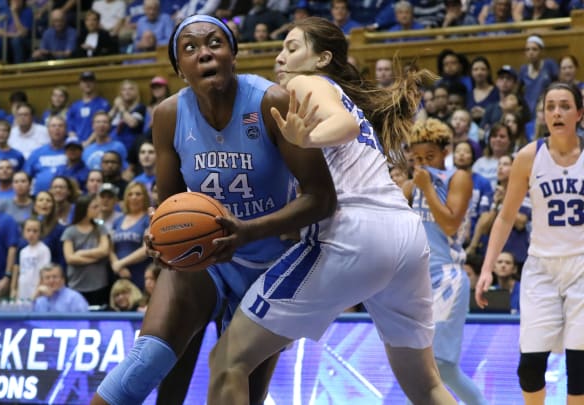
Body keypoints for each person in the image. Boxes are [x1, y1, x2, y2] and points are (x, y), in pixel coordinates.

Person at [206, 17, 456, 405]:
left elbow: (342, 126)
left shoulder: (305, 83)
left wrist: (308, 136)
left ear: (321, 59)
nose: (281, 57)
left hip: (353, 232)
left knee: (227, 360)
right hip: (406, 237)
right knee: (426, 386)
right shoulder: (342, 95)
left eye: (292, 48)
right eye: (280, 48)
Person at [92, 14, 337, 405]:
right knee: (145, 363)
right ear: (179, 68)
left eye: (214, 44)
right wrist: (159, 238)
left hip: (267, 268)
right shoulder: (169, 115)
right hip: (201, 257)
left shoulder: (271, 100)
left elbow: (322, 198)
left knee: (237, 394)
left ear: (233, 55)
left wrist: (247, 231)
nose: (204, 53)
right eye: (190, 48)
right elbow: (170, 205)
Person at [475, 82, 584, 404]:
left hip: (582, 265)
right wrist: (485, 269)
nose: (556, 112)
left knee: (579, 369)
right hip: (541, 268)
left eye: (564, 105)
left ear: (579, 113)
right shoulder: (528, 156)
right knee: (529, 367)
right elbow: (506, 217)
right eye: (550, 106)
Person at [403, 118, 487, 404]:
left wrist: (425, 188)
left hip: (448, 278)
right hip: (419, 281)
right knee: (420, 369)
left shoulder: (457, 178)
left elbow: (451, 224)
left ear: (445, 152)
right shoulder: (410, 186)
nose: (423, 163)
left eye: (430, 157)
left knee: (445, 368)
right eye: (417, 158)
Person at [62, 194, 111, 306]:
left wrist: (81, 253)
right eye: (94, 207)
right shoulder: (70, 231)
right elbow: (70, 258)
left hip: (98, 283)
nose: (98, 209)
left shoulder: (100, 228)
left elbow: (104, 250)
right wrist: (95, 259)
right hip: (77, 283)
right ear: (84, 209)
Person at [12, 218, 50, 300]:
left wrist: (37, 292)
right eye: (28, 230)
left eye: (35, 231)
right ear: (23, 232)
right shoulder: (23, 251)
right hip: (23, 291)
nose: (31, 234)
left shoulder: (43, 250)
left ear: (40, 233)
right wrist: (16, 290)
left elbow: (44, 273)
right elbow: (21, 273)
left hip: (36, 292)